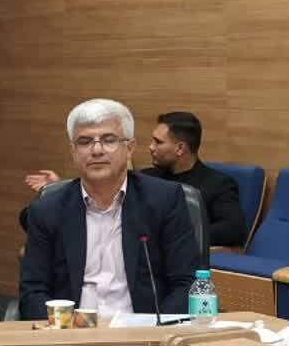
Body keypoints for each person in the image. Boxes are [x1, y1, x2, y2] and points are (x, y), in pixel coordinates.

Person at [19, 99, 198, 320]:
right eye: (85, 141)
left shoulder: (164, 200)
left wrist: (155, 331)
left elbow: (186, 284)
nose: (97, 150)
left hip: (143, 332)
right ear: (73, 151)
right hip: (70, 331)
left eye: (109, 140)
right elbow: (33, 291)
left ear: (130, 148)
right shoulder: (47, 210)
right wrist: (60, 331)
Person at [22, 111, 245, 247]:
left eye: (158, 142)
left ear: (180, 148)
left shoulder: (218, 184)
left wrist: (171, 233)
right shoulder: (146, 178)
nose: (150, 147)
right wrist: (58, 188)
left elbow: (233, 229)